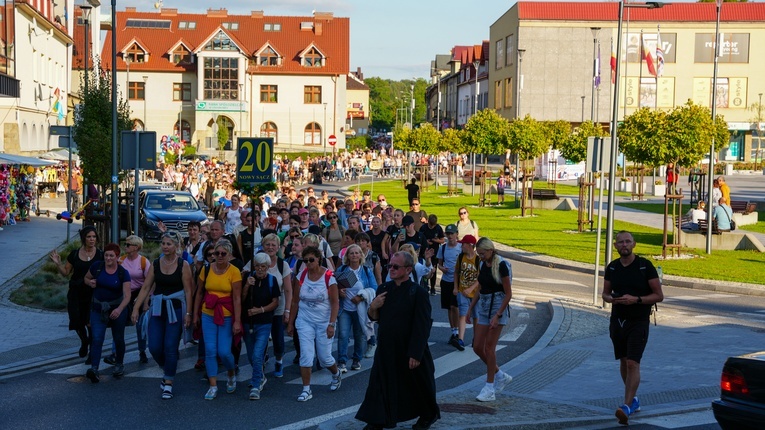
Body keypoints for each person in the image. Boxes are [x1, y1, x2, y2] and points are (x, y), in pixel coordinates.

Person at [355, 251, 440, 430]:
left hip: (410, 347)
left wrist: (415, 353)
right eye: (389, 266)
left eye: (396, 267)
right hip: (387, 347)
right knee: (380, 384)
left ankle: (427, 415)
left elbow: (422, 325)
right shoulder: (384, 289)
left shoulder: (418, 293)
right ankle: (377, 420)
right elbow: (375, 317)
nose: (391, 269)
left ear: (408, 269)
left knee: (418, 385)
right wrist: (373, 306)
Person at [601, 231, 664, 425]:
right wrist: (610, 299)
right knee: (623, 361)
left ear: (634, 244)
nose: (624, 245)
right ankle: (633, 400)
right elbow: (604, 293)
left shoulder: (645, 266)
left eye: (627, 241)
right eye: (620, 242)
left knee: (632, 363)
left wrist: (636, 299)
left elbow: (658, 295)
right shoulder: (612, 267)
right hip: (618, 320)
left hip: (638, 320)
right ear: (615, 246)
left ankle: (626, 406)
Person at [131, 230, 194, 399]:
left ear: (176, 246)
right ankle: (167, 368)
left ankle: (168, 382)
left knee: (171, 347)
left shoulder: (183, 265)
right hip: (158, 308)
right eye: (163, 243)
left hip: (176, 309)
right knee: (155, 347)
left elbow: (189, 291)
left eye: (168, 244)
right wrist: (136, 308)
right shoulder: (156, 263)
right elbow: (146, 287)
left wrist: (189, 313)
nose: (165, 247)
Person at [287, 246, 342, 402]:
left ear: (319, 259)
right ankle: (306, 389)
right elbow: (295, 302)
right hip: (305, 321)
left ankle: (336, 373)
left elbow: (335, 303)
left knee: (325, 358)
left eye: (311, 259)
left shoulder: (328, 276)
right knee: (306, 356)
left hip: (324, 322)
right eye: (305, 260)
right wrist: (290, 323)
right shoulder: (300, 277)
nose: (308, 263)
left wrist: (332, 324)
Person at [195, 239, 242, 400]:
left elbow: (236, 298)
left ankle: (230, 372)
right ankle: (213, 385)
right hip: (207, 313)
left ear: (229, 255)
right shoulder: (206, 269)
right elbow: (199, 292)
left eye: (223, 253)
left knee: (224, 351)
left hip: (226, 315)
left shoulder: (234, 271)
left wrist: (237, 321)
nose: (220, 256)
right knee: (209, 350)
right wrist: (194, 314)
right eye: (217, 253)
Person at [467, 237, 514, 402]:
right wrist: (470, 308)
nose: (480, 257)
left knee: (489, 348)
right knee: (477, 346)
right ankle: (500, 375)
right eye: (478, 254)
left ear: (490, 250)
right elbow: (480, 288)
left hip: (497, 307)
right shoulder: (482, 264)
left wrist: (498, 315)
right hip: (484, 307)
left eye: (482, 254)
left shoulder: (501, 265)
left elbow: (508, 294)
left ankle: (489, 387)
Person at [49, 225, 103, 363]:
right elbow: (66, 273)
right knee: (76, 321)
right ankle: (84, 341)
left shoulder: (101, 255)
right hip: (76, 292)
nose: (92, 239)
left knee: (90, 322)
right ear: (83, 238)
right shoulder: (74, 254)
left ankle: (92, 353)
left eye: (94, 237)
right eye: (89, 237)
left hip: (92, 293)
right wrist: (58, 264)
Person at [82, 242, 131, 383]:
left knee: (118, 338)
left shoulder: (123, 272)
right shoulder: (97, 267)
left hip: (117, 308)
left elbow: (127, 296)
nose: (108, 258)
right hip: (98, 308)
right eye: (106, 255)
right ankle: (94, 368)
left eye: (111, 256)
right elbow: (86, 278)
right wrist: (89, 282)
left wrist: (119, 309)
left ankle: (119, 364)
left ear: (117, 257)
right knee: (97, 338)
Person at [241, 253, 280, 400]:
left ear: (268, 267)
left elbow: (275, 302)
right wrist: (246, 285)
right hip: (248, 322)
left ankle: (256, 385)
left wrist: (260, 310)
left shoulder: (272, 280)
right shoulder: (248, 278)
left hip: (264, 323)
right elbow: (241, 299)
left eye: (263, 266)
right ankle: (260, 376)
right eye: (257, 266)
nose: (260, 269)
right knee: (251, 356)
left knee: (258, 355)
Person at [334, 244, 378, 373]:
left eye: (357, 253)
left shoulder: (365, 271)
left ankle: (356, 359)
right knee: (343, 334)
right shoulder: (342, 269)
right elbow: (333, 286)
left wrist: (361, 296)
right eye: (351, 253)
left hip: (360, 309)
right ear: (347, 256)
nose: (354, 255)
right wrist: (338, 291)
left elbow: (374, 288)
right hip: (345, 309)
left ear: (361, 256)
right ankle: (342, 361)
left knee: (359, 335)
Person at [437, 225, 463, 350]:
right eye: (448, 234)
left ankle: (457, 332)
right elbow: (439, 264)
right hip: (446, 281)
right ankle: (453, 331)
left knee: (455, 306)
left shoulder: (461, 248)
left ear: (457, 234)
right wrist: (442, 269)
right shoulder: (443, 248)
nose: (450, 236)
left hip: (456, 282)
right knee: (448, 307)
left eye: (452, 234)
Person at [454, 232, 481, 351]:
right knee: (463, 314)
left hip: (475, 293)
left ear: (470, 245)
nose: (461, 246)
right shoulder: (461, 257)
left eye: (463, 244)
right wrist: (456, 287)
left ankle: (476, 339)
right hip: (462, 291)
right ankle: (461, 339)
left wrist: (471, 288)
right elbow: (456, 272)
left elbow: (481, 277)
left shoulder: (478, 260)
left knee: (476, 316)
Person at [420, 214, 444, 295]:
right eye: (431, 225)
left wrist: (435, 240)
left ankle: (433, 287)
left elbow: (442, 240)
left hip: (435, 252)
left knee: (433, 269)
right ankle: (425, 285)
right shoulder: (423, 228)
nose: (432, 226)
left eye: (433, 225)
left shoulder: (438, 228)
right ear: (428, 221)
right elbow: (420, 238)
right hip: (425, 251)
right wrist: (425, 241)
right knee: (425, 269)